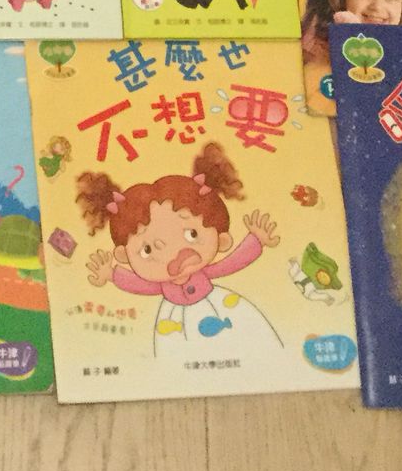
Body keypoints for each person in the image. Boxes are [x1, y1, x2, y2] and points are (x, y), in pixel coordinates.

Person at [79, 144, 282, 355]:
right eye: (147, 249)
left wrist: (256, 240)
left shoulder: (204, 272)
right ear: (124, 255)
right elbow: (141, 285)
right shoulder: (162, 286)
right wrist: (111, 275)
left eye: (192, 234)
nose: (173, 255)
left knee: (244, 341)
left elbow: (229, 264)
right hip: (175, 322)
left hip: (220, 308)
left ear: (221, 238)